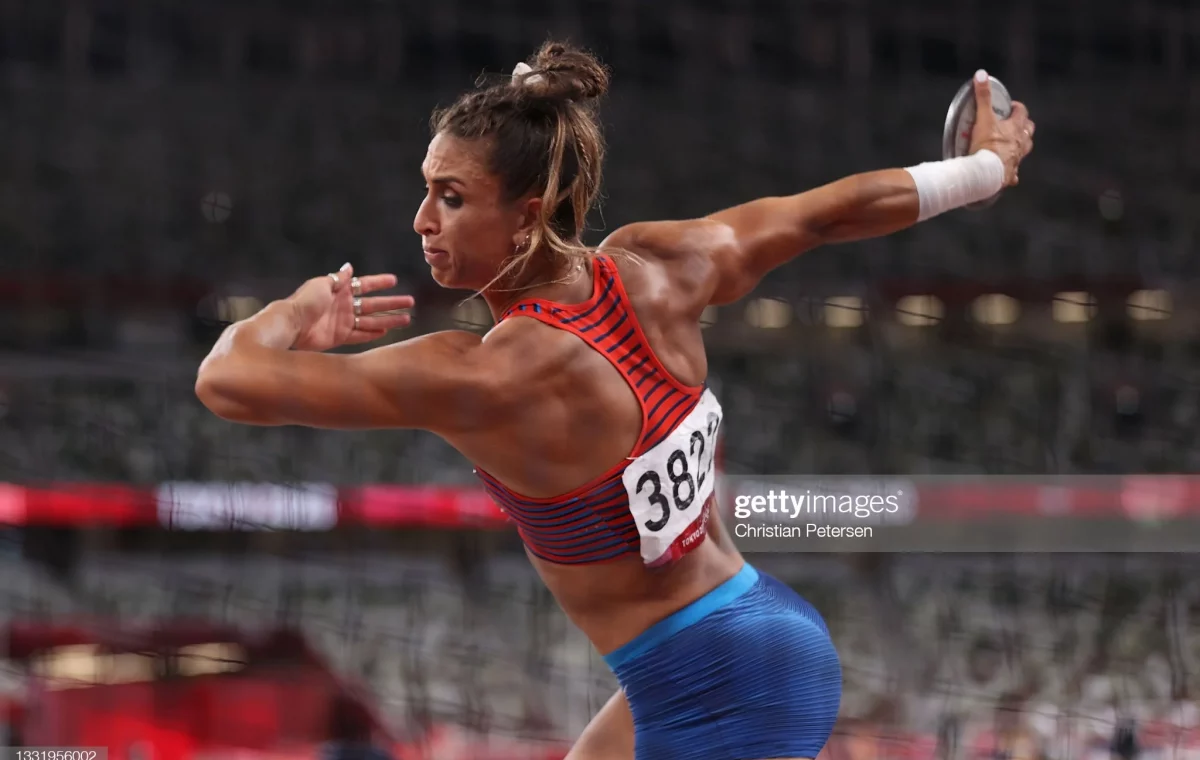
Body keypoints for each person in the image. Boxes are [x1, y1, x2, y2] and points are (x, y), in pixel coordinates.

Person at [196, 42, 1035, 760]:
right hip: (760, 635)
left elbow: (225, 380)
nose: (421, 219)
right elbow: (822, 215)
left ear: (526, 219)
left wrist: (295, 311)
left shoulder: (487, 377)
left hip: (712, 677)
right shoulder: (655, 266)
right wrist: (983, 169)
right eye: (425, 190)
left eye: (450, 197)